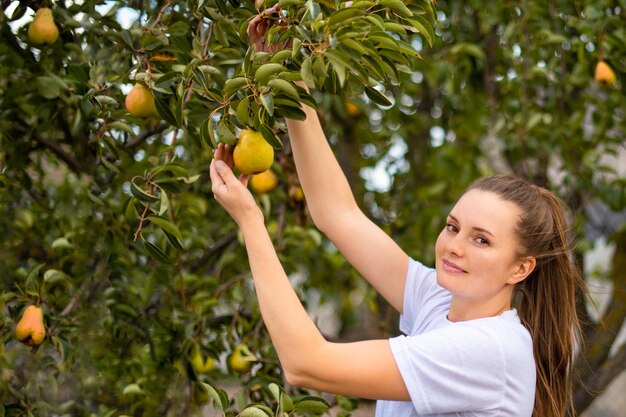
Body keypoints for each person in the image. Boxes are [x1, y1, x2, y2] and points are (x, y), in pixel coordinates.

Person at [208, 9, 584, 417]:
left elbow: (306, 363)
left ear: (520, 268)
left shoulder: (488, 349)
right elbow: (337, 213)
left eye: (481, 239)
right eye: (453, 227)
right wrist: (290, 82)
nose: (454, 247)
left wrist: (250, 221)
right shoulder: (439, 302)